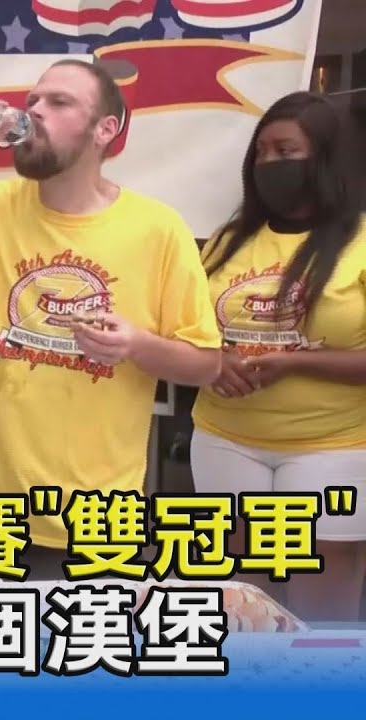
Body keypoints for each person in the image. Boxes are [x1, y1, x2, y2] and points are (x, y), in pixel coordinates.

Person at [0, 60, 223, 607]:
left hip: (98, 520)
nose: (34, 110)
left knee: (81, 662)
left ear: (105, 129)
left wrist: (137, 345)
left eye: (59, 102)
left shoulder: (159, 230)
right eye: (33, 100)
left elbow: (206, 364)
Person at [191, 91, 366, 622]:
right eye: (261, 152)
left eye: (286, 151)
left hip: (331, 448)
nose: (270, 163)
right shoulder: (226, 241)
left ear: (325, 157)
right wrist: (214, 358)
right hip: (224, 440)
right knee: (242, 608)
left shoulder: (360, 240)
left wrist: (294, 362)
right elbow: (191, 327)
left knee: (322, 617)